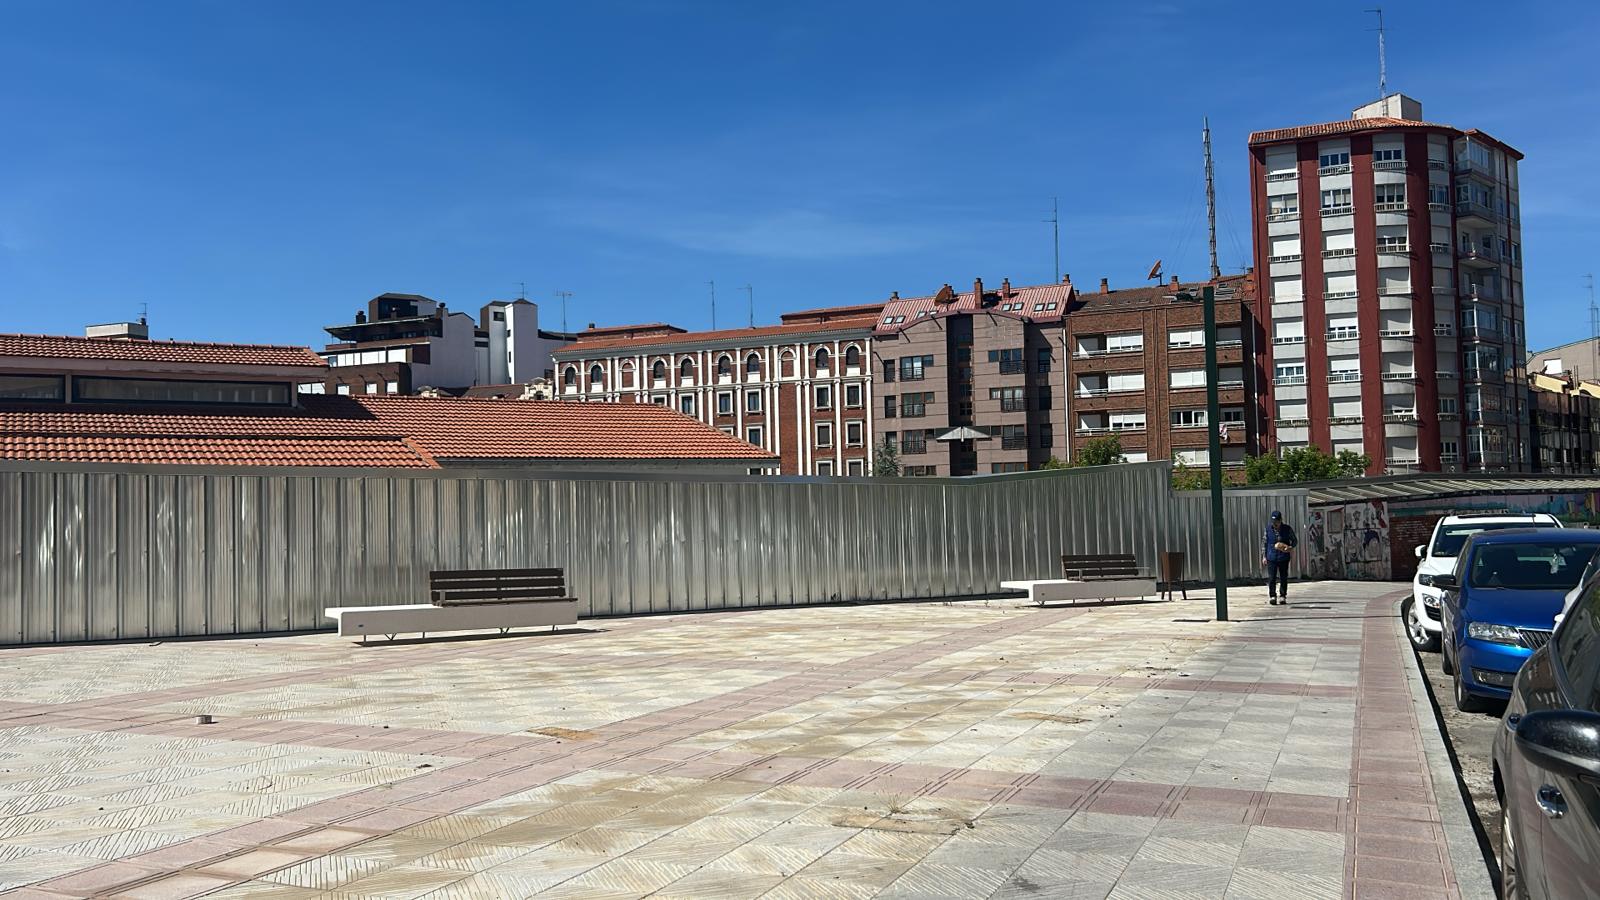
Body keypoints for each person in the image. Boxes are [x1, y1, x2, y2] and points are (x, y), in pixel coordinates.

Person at [1262, 510, 1297, 605]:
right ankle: (1272, 595)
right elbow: (1264, 543)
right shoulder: (1268, 529)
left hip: (1283, 557)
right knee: (1272, 577)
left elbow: (1294, 540)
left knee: (1283, 577)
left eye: (1277, 522)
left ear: (1281, 520)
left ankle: (1283, 596)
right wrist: (1264, 556)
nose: (1275, 524)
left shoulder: (1287, 529)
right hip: (1271, 557)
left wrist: (1290, 547)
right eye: (1273, 522)